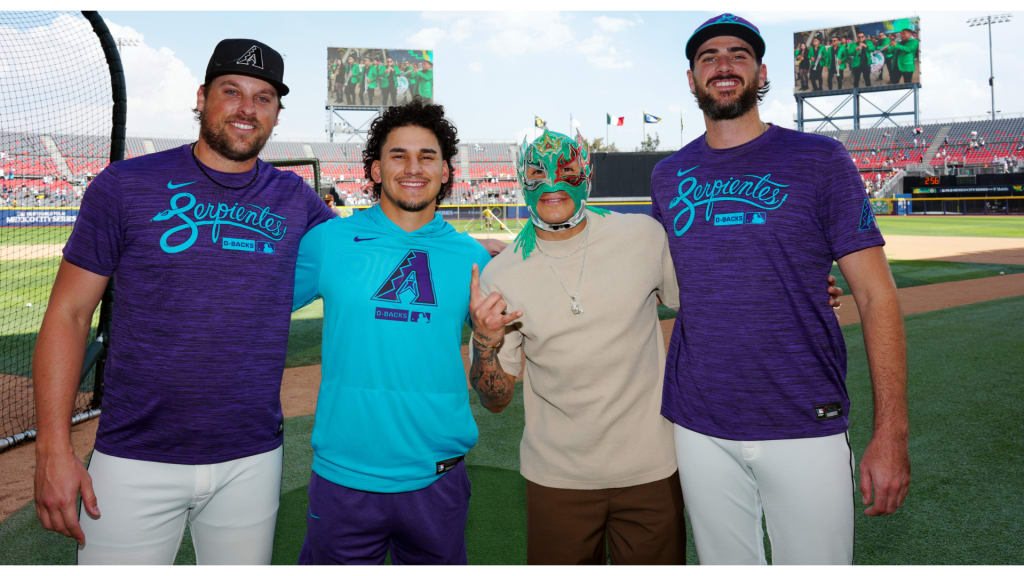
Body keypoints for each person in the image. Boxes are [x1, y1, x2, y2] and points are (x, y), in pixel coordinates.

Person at [32, 38, 338, 564]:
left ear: (277, 114)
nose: (247, 108)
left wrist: (473, 250)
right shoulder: (125, 186)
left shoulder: (295, 198)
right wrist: (52, 449)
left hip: (253, 459)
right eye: (231, 91)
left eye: (264, 97)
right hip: (134, 457)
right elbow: (69, 314)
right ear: (202, 96)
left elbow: (368, 251)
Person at [650, 14, 910, 565]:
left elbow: (877, 295)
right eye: (708, 57)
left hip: (803, 416)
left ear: (761, 72)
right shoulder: (668, 175)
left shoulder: (819, 159)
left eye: (738, 54)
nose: (723, 64)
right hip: (699, 422)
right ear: (692, 79)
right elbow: (638, 267)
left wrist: (891, 433)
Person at [468, 129, 687, 565]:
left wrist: (801, 287)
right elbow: (496, 400)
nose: (552, 182)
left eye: (566, 170)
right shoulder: (502, 273)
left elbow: (704, 302)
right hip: (557, 479)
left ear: (587, 176)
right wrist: (484, 341)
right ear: (520, 179)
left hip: (652, 469)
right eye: (537, 172)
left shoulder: (643, 236)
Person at [292, 99, 491, 565]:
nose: (413, 167)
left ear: (445, 171)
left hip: (437, 478)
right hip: (343, 476)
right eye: (398, 155)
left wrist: (487, 340)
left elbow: (496, 388)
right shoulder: (329, 241)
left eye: (427, 156)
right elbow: (255, 308)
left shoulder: (472, 256)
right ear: (376, 169)